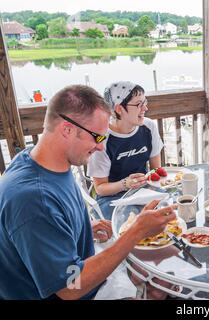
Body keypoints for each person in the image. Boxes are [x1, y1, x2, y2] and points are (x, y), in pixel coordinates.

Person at [0, 85, 176, 300]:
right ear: (67, 129)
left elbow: (47, 228)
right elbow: (69, 287)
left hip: (83, 261)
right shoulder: (34, 200)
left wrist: (80, 227)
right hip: (73, 291)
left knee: (161, 282)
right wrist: (135, 232)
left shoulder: (37, 159)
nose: (102, 148)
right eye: (97, 137)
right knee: (160, 288)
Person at [87, 81, 164, 220]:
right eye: (138, 104)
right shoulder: (102, 139)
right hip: (112, 198)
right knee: (133, 224)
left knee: (171, 212)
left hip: (144, 191)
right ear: (119, 109)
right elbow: (100, 188)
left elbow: (156, 170)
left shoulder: (149, 127)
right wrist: (125, 184)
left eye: (145, 102)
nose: (145, 108)